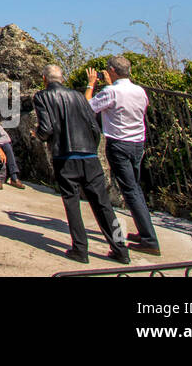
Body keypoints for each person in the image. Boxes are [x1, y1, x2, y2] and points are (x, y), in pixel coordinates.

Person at [33, 64, 130, 264]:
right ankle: (120, 249)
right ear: (63, 79)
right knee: (103, 204)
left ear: (44, 79)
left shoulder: (42, 97)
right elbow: (94, 126)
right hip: (89, 156)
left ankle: (80, 249)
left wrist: (38, 135)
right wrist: (91, 149)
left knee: (72, 203)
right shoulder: (78, 96)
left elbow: (47, 127)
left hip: (65, 157)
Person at [87, 55, 160, 256]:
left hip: (119, 144)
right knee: (135, 188)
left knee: (130, 191)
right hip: (138, 143)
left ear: (112, 70)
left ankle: (149, 240)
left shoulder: (111, 92)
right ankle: (144, 231)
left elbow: (87, 108)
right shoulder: (140, 91)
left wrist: (91, 85)